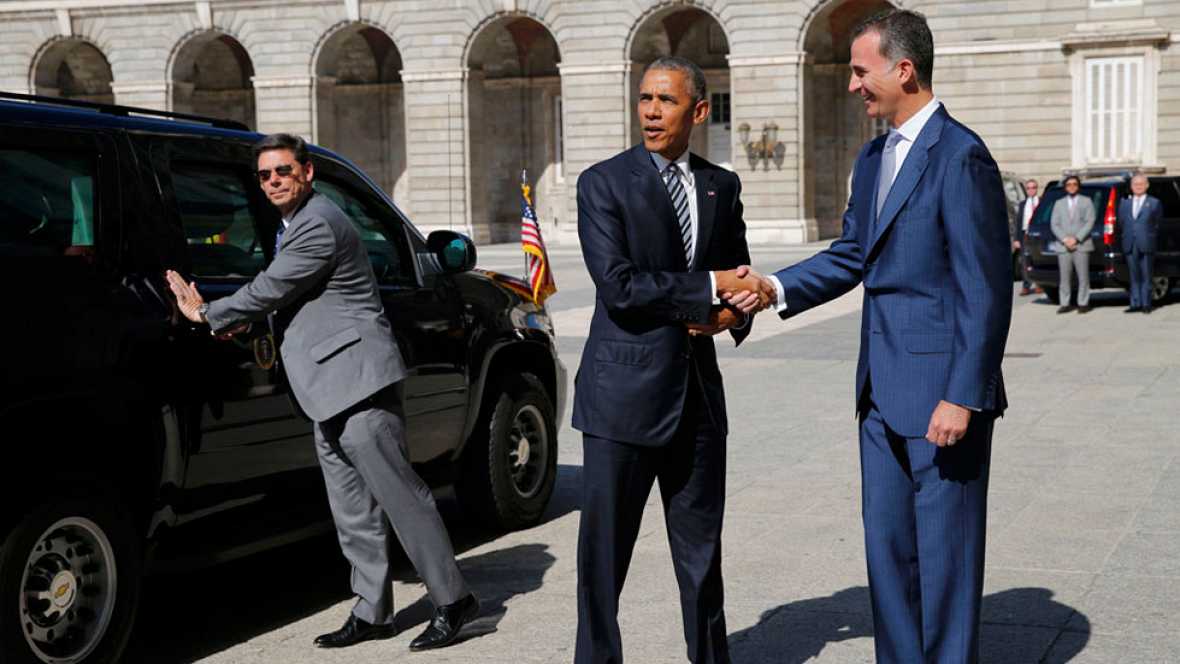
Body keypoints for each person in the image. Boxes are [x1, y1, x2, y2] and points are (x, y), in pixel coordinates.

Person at [724, 9, 1011, 662]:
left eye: (861, 71)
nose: (853, 85)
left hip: (943, 400)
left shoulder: (961, 156)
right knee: (888, 558)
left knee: (945, 567)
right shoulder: (874, 155)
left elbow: (986, 290)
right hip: (878, 396)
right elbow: (853, 253)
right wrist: (772, 287)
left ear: (902, 69)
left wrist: (963, 396)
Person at [165, 133, 478, 652]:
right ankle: (372, 611)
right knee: (353, 508)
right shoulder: (293, 226)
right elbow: (289, 300)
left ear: (307, 172)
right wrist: (240, 325)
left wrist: (208, 314)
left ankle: (453, 600)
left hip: (358, 381)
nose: (273, 182)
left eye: (283, 171)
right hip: (327, 385)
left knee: (401, 497)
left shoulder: (319, 222)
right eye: (264, 175)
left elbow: (272, 286)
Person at [571, 55, 763, 664]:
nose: (651, 111)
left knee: (703, 558)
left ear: (699, 111)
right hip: (621, 402)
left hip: (698, 404)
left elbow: (739, 276)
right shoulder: (603, 183)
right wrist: (707, 287)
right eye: (645, 99)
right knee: (604, 563)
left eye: (667, 101)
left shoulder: (721, 184)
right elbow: (619, 286)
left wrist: (737, 311)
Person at [1049, 175, 1096, 314]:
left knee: (1083, 276)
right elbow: (1054, 223)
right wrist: (1065, 239)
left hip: (1081, 244)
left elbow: (1090, 221)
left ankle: (1083, 302)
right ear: (1065, 187)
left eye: (1074, 184)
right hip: (1063, 245)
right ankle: (1065, 302)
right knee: (1064, 277)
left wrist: (1076, 238)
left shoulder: (1086, 201)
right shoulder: (1059, 203)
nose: (1072, 186)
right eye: (1069, 184)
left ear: (1078, 186)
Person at [1119, 173, 1162, 314]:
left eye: (1141, 184)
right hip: (1130, 242)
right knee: (1133, 274)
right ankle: (1135, 303)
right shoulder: (1124, 203)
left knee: (1147, 274)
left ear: (1147, 185)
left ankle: (1146, 304)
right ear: (1131, 187)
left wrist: (1149, 236)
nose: (1138, 186)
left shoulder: (1154, 202)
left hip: (1146, 242)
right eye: (1135, 184)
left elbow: (1157, 223)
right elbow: (1122, 222)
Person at [1016, 179, 1041, 296]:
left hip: (1038, 234)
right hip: (1025, 235)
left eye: (1033, 187)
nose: (1031, 190)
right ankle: (1026, 285)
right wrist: (1016, 239)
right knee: (1025, 261)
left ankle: (1039, 284)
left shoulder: (1041, 202)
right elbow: (1018, 222)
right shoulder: (1022, 204)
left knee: (1037, 259)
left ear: (1037, 188)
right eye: (1029, 188)